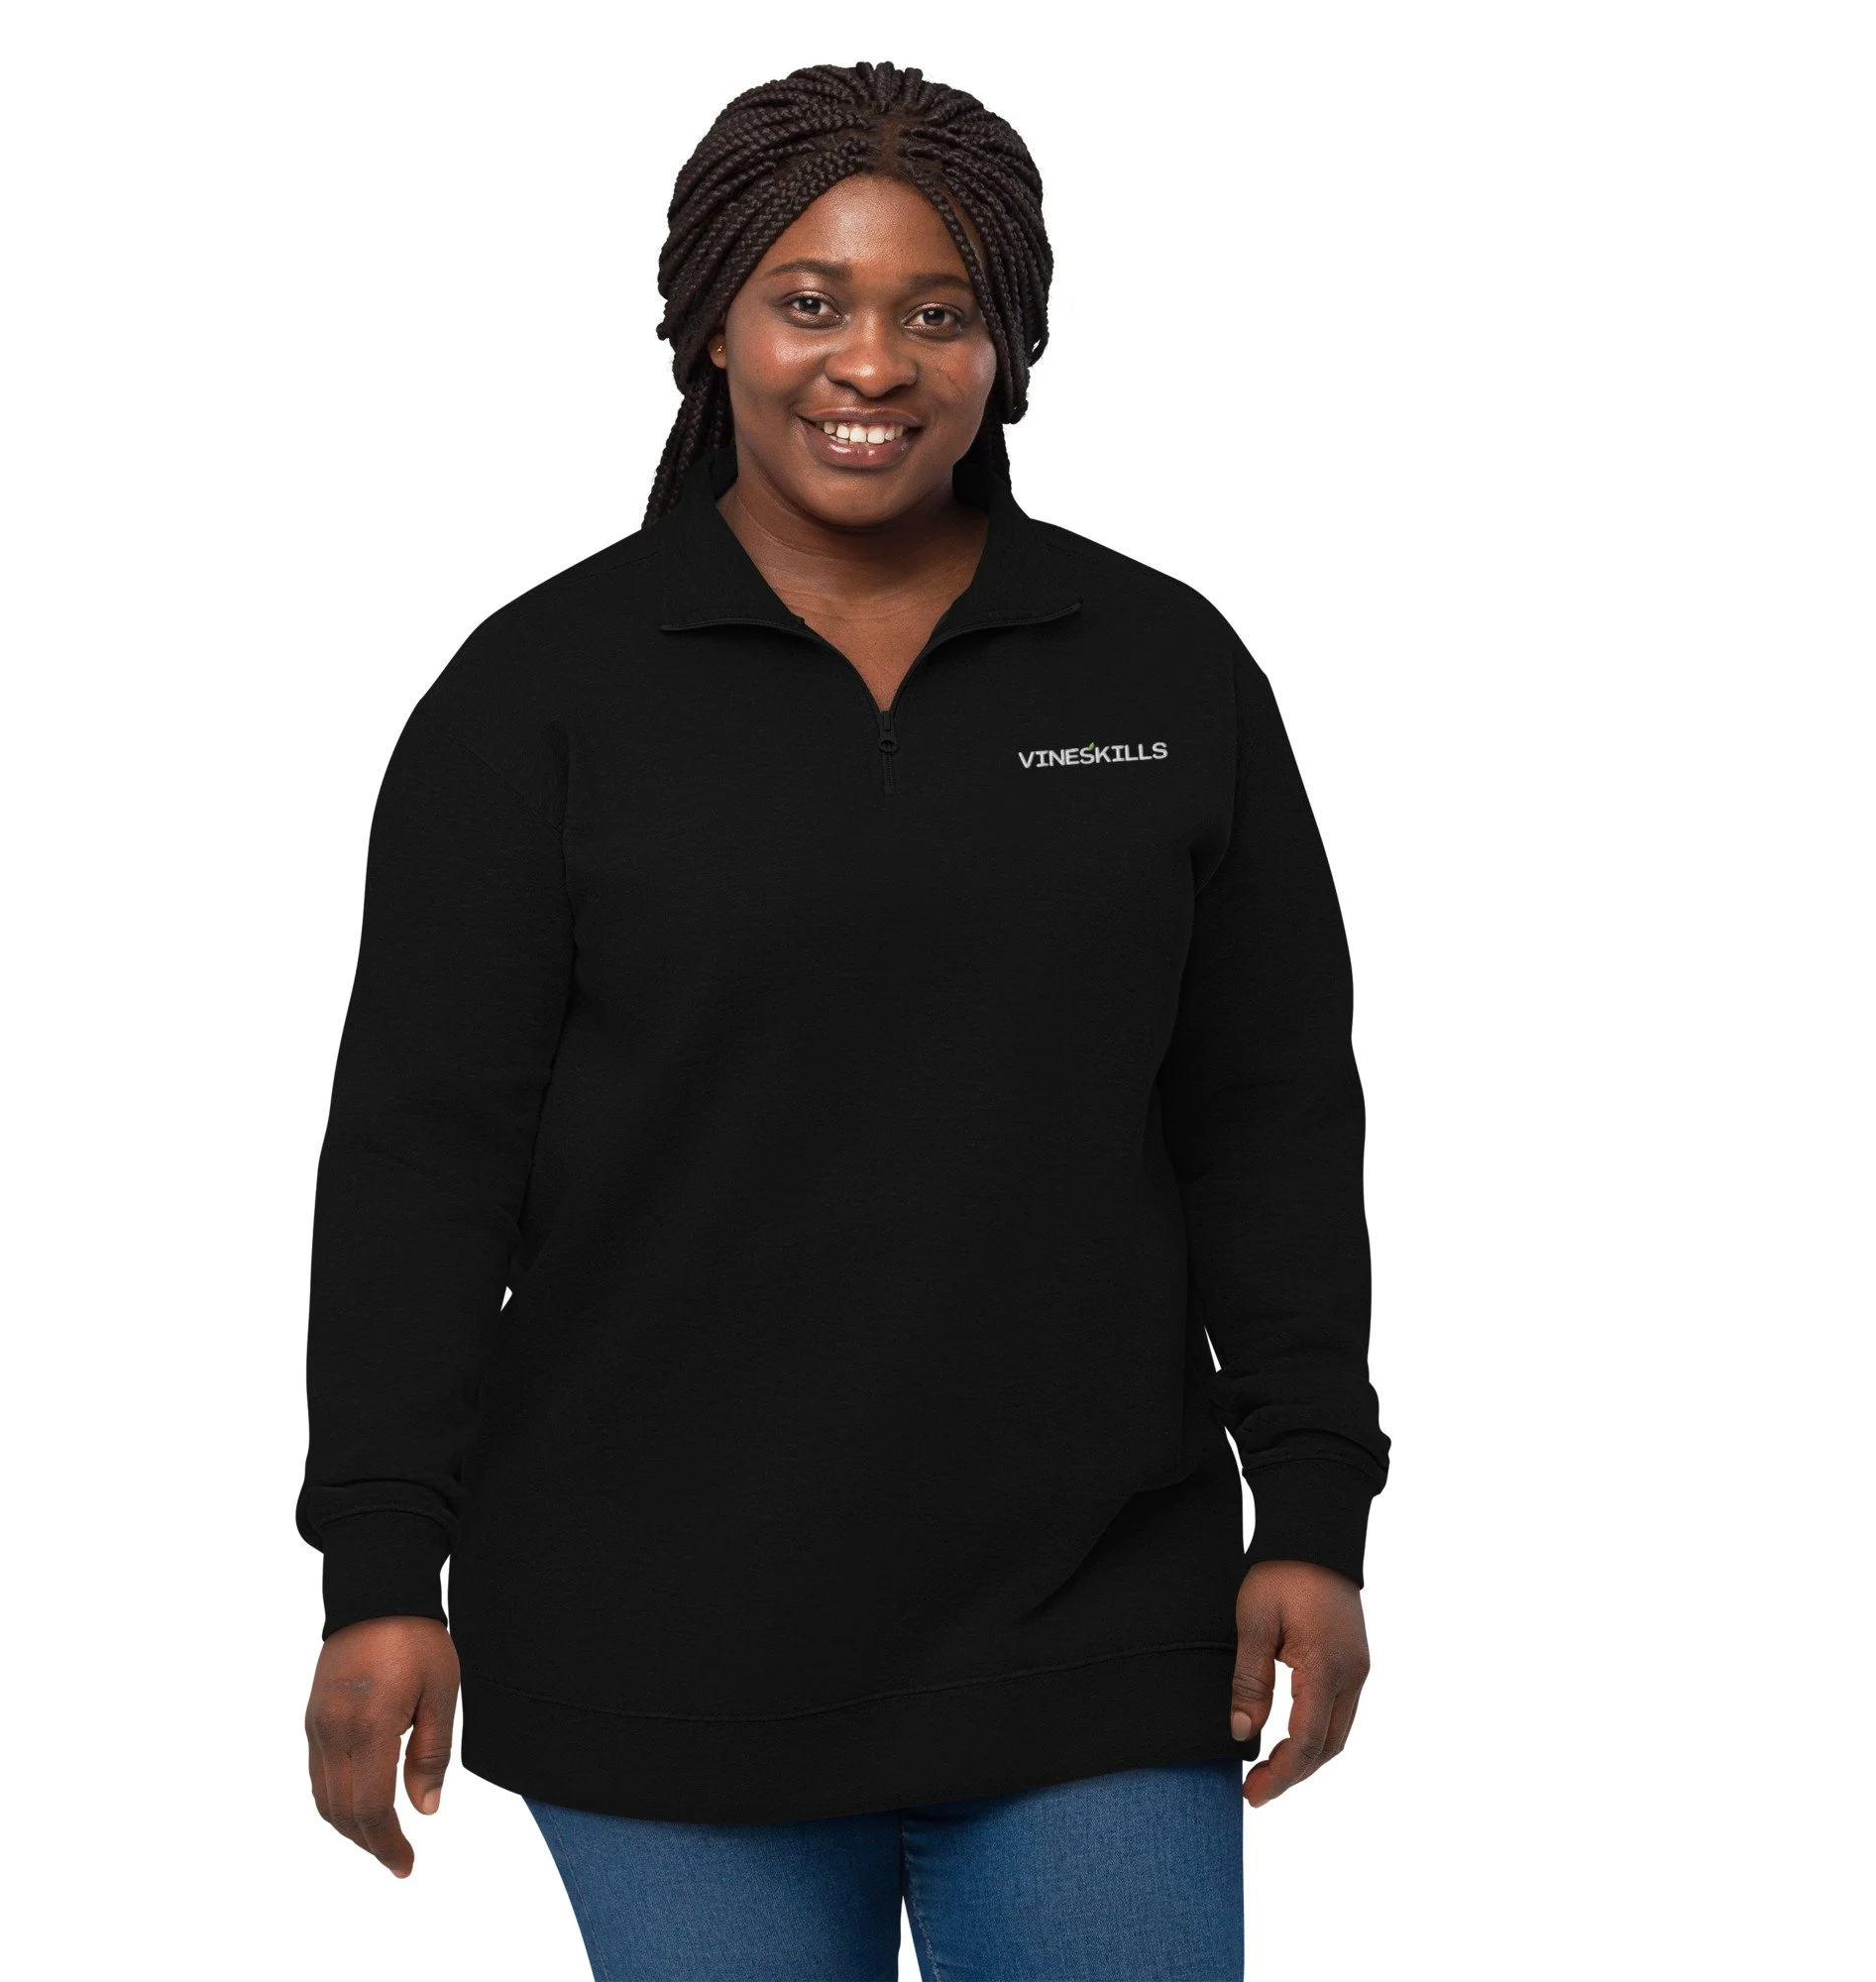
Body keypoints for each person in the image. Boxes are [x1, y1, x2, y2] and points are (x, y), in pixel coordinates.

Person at [298, 58, 1388, 1982]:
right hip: (656, 1633)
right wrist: (380, 1565)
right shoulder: (542, 696)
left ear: (1008, 346)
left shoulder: (1158, 668)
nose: (870, 362)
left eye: (936, 311)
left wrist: (1311, 1504)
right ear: (712, 324)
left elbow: (1270, 1119)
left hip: (1090, 1621)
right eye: (810, 300)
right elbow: (421, 1167)